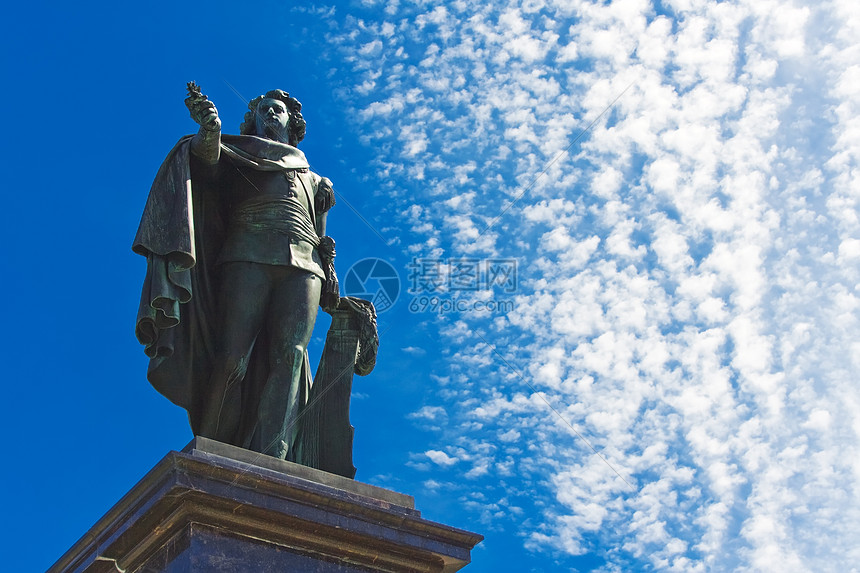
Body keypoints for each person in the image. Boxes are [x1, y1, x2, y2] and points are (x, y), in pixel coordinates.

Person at [134, 85, 340, 461]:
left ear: (292, 121)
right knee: (232, 357)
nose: (270, 115)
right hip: (247, 255)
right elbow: (205, 165)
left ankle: (274, 454)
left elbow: (321, 235)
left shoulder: (316, 180)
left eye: (277, 110)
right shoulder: (240, 153)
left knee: (291, 356)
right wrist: (210, 131)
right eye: (263, 111)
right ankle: (210, 448)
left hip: (305, 267)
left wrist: (329, 268)